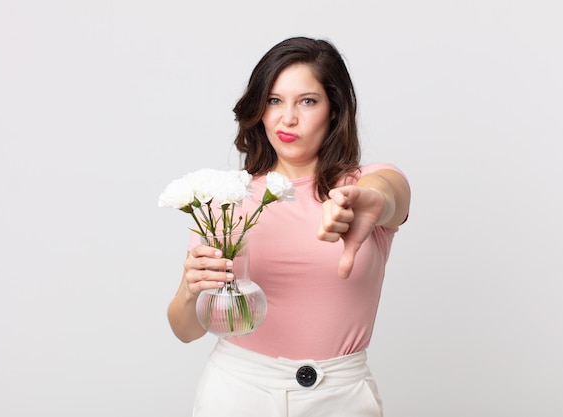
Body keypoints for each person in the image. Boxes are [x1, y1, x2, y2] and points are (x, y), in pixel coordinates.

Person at [167, 36, 411, 417]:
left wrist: (373, 201)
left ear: (334, 109)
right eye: (274, 101)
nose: (288, 118)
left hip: (341, 396)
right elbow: (186, 330)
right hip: (237, 391)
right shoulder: (226, 199)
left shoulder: (365, 185)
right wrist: (189, 287)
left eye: (308, 101)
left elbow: (388, 196)